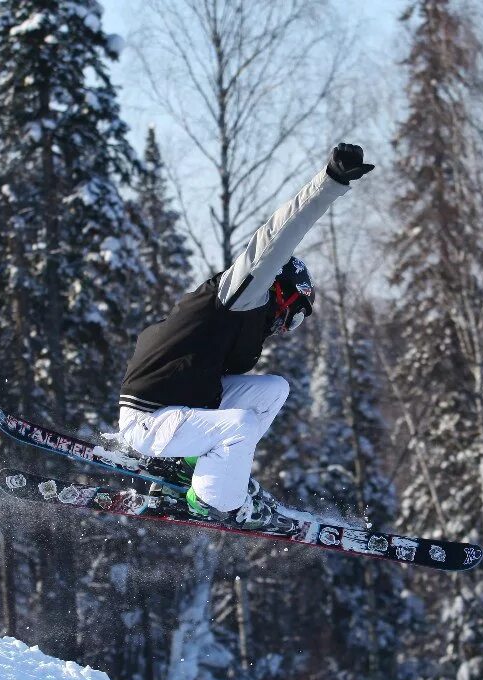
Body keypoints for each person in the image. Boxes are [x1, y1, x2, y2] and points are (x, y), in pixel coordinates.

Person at [112, 143, 374, 527]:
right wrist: (330, 182)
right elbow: (278, 238)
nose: (285, 328)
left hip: (177, 409)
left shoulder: (240, 324)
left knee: (273, 391)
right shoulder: (242, 294)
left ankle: (190, 472)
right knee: (241, 427)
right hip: (149, 420)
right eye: (293, 316)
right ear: (280, 291)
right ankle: (213, 501)